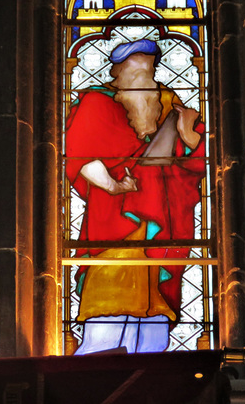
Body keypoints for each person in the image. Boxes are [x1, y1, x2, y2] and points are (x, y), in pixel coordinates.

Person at [64, 38, 205, 354]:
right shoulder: (97, 103)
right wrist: (113, 186)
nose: (145, 73)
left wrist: (188, 134)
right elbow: (79, 154)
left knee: (153, 320)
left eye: (150, 66)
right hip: (113, 229)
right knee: (107, 318)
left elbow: (196, 160)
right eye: (135, 65)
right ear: (119, 71)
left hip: (163, 225)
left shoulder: (169, 106)